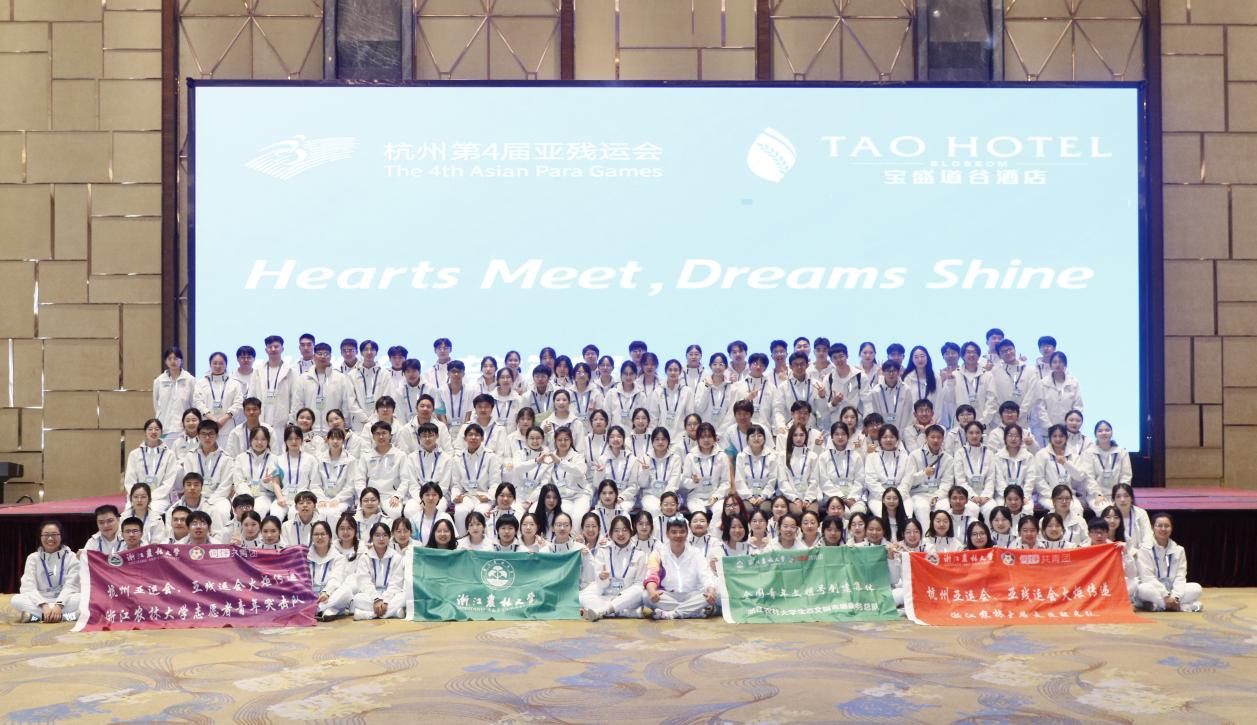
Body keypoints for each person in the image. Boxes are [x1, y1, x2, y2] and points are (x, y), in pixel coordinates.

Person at [640, 516, 719, 620]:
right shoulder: (658, 552)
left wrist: (711, 591)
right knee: (646, 595)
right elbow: (651, 574)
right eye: (674, 532)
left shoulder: (695, 553)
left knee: (711, 595)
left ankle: (673, 614)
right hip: (668, 595)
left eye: (682, 532)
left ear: (687, 533)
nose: (678, 535)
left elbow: (706, 575)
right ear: (667, 534)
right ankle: (693, 612)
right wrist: (652, 591)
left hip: (692, 594)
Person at [580, 515, 649, 621]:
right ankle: (623, 612)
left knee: (640, 591)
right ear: (611, 533)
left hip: (628, 597)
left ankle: (603, 610)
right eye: (616, 530)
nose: (620, 534)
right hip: (607, 594)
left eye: (624, 530)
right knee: (582, 596)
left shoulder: (639, 554)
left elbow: (639, 584)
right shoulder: (603, 551)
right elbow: (600, 584)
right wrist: (602, 578)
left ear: (631, 532)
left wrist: (622, 596)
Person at [13, 521, 80, 623]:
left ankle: (36, 617)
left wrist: (59, 605)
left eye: (54, 534)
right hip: (41, 600)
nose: (50, 538)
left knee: (85, 598)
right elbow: (28, 586)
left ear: (61, 536)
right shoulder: (33, 558)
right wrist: (44, 605)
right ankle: (67, 616)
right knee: (16, 600)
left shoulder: (72, 557)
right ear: (40, 537)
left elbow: (71, 586)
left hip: (65, 600)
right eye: (46, 535)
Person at [1134, 513, 1203, 612]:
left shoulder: (1179, 550)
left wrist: (1175, 596)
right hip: (1155, 589)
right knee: (1142, 589)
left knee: (1196, 588)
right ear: (1153, 528)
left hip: (1173, 590)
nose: (1163, 529)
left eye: (1167, 526)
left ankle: (1159, 605)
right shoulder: (1144, 549)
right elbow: (1147, 577)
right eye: (1159, 526)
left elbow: (1180, 576)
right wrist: (1165, 595)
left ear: (1171, 528)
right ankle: (1180, 606)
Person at [292, 343, 362, 434]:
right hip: (309, 431)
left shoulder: (341, 378)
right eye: (320, 354)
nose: (323, 356)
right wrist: (296, 426)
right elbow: (297, 404)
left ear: (330, 356)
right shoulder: (303, 378)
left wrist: (345, 426)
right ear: (314, 356)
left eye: (326, 354)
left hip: (334, 432)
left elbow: (346, 404)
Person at [452, 424, 503, 535]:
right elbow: (456, 484)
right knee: (460, 511)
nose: (473, 437)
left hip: (484, 496)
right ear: (465, 438)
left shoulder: (491, 457)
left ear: (482, 438)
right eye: (470, 435)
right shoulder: (458, 457)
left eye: (477, 435)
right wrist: (456, 496)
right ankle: (461, 541)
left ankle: (482, 541)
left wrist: (489, 497)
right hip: (467, 496)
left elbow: (495, 483)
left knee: (481, 512)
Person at [123, 418, 179, 514]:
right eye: (150, 429)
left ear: (161, 432)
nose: (153, 432)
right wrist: (140, 496)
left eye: (157, 429)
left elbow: (169, 482)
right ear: (145, 432)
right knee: (129, 512)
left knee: (152, 511)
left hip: (160, 499)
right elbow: (130, 480)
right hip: (137, 497)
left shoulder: (169, 454)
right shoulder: (134, 454)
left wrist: (150, 497)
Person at [353, 522, 407, 620]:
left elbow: (396, 584)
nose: (381, 539)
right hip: (371, 596)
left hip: (391, 595)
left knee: (404, 596)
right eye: (377, 535)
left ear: (389, 537)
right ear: (371, 537)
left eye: (385, 535)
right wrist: (377, 599)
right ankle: (393, 612)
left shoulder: (397, 557)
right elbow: (364, 583)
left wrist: (385, 601)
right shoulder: (365, 557)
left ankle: (368, 614)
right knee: (357, 599)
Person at [903, 424, 953, 526]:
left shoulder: (948, 458)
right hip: (919, 493)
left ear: (943, 439)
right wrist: (924, 474)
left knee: (944, 508)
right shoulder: (914, 455)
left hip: (939, 494)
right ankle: (925, 535)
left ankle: (940, 535)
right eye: (932, 437)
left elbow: (947, 482)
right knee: (922, 508)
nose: (936, 440)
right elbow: (909, 481)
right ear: (926, 438)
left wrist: (937, 496)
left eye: (939, 437)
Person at [816, 422, 865, 516]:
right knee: (845, 513)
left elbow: (860, 480)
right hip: (832, 496)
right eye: (837, 434)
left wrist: (852, 497)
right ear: (832, 436)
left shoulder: (856, 456)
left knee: (859, 511)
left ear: (848, 436)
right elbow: (824, 481)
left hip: (853, 497)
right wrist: (842, 498)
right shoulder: (824, 457)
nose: (840, 437)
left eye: (843, 434)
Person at [194, 351, 245, 441]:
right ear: (210, 364)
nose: (218, 366)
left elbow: (238, 403)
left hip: (228, 426)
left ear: (226, 365)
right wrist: (212, 418)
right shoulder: (201, 383)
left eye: (221, 363)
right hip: (207, 426)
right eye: (215, 363)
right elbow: (197, 402)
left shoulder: (234, 383)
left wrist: (224, 419)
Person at [308, 520, 353, 620]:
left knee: (347, 591)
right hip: (310, 596)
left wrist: (326, 592)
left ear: (330, 537)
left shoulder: (339, 557)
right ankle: (329, 610)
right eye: (316, 534)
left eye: (323, 534)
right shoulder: (305, 556)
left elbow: (336, 579)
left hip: (329, 596)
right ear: (312, 537)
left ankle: (317, 609)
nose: (319, 537)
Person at [153, 346, 196, 443]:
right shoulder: (159, 381)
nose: (173, 361)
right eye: (169, 359)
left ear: (181, 361)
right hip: (164, 427)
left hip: (183, 428)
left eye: (176, 358)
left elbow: (193, 404)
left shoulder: (190, 380)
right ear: (165, 361)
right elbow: (156, 405)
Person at [314, 427, 358, 523]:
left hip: (343, 499)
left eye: (338, 438)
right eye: (332, 438)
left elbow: (350, 486)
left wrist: (338, 499)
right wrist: (321, 499)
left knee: (332, 513)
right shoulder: (320, 459)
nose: (335, 441)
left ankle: (333, 533)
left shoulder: (351, 460)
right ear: (327, 440)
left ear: (343, 441)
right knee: (319, 512)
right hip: (323, 498)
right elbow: (315, 484)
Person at [865, 425, 908, 518]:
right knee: (883, 517)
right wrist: (886, 497)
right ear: (879, 439)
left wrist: (896, 497)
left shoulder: (905, 457)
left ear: (897, 439)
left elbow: (907, 481)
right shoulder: (872, 457)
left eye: (892, 437)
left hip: (902, 496)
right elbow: (870, 481)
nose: (888, 440)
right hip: (877, 497)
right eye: (885, 437)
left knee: (906, 516)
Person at [735, 424, 779, 512]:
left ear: (764, 439)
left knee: (765, 509)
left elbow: (772, 480)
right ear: (747, 439)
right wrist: (749, 497)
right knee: (747, 509)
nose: (756, 438)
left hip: (766, 496)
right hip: (747, 496)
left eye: (759, 435)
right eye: (753, 436)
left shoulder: (772, 457)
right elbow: (739, 480)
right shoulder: (741, 456)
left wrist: (763, 496)